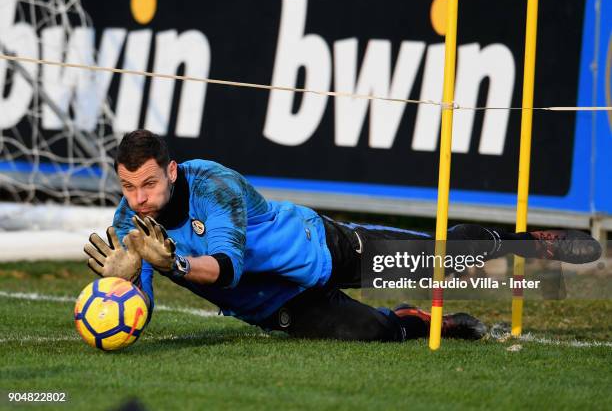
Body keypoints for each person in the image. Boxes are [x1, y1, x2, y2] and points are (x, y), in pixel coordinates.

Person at [84, 129, 602, 342]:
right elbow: (134, 316)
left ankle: (524, 243)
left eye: (148, 184)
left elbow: (226, 266)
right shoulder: (131, 223)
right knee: (374, 334)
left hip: (320, 250)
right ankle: (425, 322)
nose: (138, 200)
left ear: (171, 172)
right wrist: (122, 286)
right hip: (276, 304)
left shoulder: (213, 186)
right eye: (127, 188)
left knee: (441, 260)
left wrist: (170, 264)